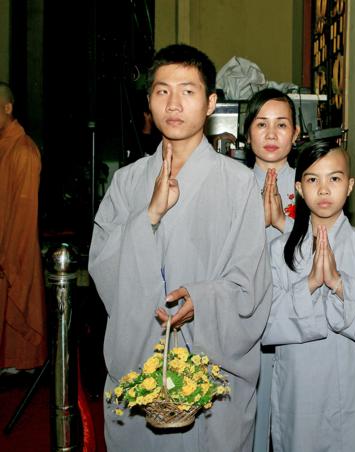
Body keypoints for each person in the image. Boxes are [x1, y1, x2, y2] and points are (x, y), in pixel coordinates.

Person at [88, 44, 272, 451]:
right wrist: (149, 216)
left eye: (187, 91)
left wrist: (203, 300)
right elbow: (102, 270)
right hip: (139, 359)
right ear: (149, 101)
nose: (173, 104)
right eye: (162, 91)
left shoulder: (239, 183)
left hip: (212, 367)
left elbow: (251, 284)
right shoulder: (127, 183)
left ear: (210, 103)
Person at [262, 141, 355, 452]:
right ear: (299, 188)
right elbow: (265, 325)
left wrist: (338, 285)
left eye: (334, 178)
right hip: (299, 388)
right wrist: (308, 284)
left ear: (350, 186)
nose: (323, 190)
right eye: (312, 179)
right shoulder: (278, 251)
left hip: (351, 388)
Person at [243, 88, 300, 452]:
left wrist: (282, 223)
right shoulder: (231, 185)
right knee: (249, 416)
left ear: (296, 134)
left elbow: (325, 246)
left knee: (294, 416)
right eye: (261, 124)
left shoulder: (311, 183)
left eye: (281, 125)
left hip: (296, 312)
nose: (271, 134)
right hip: (246, 311)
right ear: (247, 133)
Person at [0, 82, 47, 374]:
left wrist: (7, 256)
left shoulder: (24, 151)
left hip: (14, 248)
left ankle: (22, 363)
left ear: (7, 108)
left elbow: (24, 215)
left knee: (17, 300)